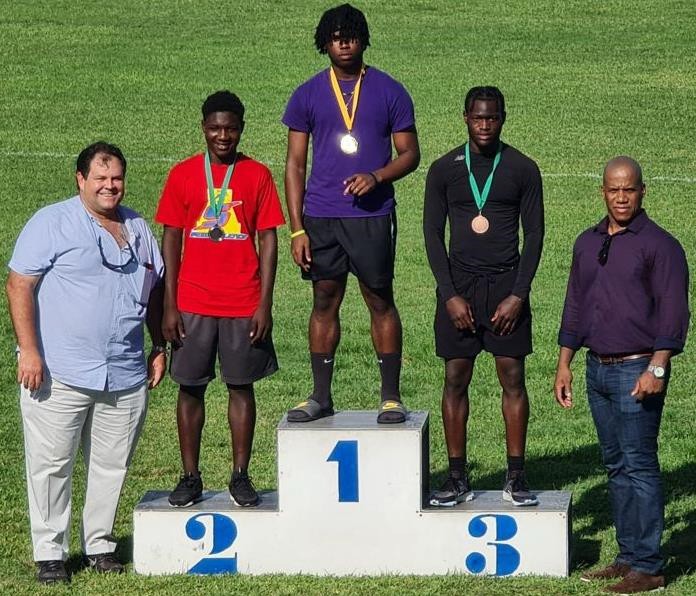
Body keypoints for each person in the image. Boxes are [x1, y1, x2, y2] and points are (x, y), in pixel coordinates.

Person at [6, 142, 166, 584]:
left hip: (126, 370)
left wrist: (159, 347)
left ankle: (99, 543)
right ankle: (50, 552)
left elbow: (156, 287)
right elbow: (19, 285)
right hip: (59, 370)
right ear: (81, 180)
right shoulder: (51, 222)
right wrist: (30, 350)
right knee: (51, 463)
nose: (109, 186)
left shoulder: (137, 226)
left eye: (116, 178)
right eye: (100, 178)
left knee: (112, 463)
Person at [554, 156, 689, 594]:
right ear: (603, 192)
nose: (621, 197)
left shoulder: (661, 245)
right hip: (596, 368)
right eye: (614, 189)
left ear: (643, 191)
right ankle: (628, 555)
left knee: (640, 464)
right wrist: (564, 363)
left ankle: (648, 566)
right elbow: (575, 304)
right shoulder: (586, 242)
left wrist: (658, 366)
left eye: (629, 188)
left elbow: (674, 312)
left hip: (637, 370)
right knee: (615, 465)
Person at [282, 3, 420, 424]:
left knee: (379, 298)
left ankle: (391, 397)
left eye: (352, 35)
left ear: (363, 40)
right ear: (324, 42)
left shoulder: (389, 90)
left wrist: (377, 177)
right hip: (321, 217)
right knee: (324, 299)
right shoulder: (307, 93)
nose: (344, 42)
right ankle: (321, 396)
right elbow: (294, 164)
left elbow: (410, 154)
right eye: (336, 35)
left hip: (372, 216)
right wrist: (296, 229)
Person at [156, 90, 285, 509]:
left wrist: (264, 303)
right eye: (215, 128)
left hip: (242, 301)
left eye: (230, 128)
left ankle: (241, 475)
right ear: (203, 128)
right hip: (192, 302)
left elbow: (268, 240)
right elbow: (171, 237)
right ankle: (190, 476)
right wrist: (170, 303)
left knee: (240, 387)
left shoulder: (257, 175)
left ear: (241, 129)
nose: (223, 135)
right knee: (190, 388)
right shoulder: (183, 175)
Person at [424, 86, 544, 507]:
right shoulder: (443, 170)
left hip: (506, 286)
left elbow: (536, 236)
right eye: (478, 117)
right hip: (460, 288)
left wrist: (518, 295)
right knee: (455, 379)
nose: (485, 125)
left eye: (492, 118)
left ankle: (516, 475)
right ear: (465, 118)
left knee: (512, 378)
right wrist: (449, 295)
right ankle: (457, 477)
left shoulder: (522, 168)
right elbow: (431, 236)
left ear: (503, 118)